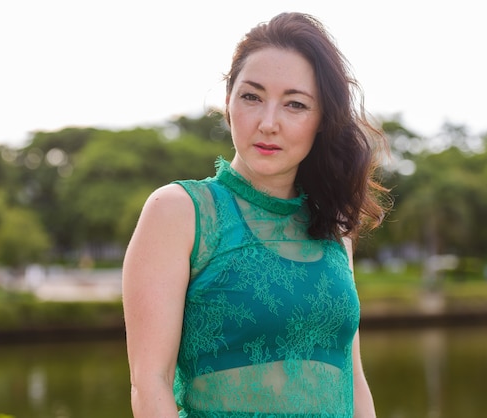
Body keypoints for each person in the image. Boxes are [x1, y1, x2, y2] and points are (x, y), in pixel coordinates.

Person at [122, 12, 389, 418]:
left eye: (295, 105)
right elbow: (148, 383)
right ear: (228, 102)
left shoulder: (333, 230)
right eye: (251, 97)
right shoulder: (177, 212)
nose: (268, 123)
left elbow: (354, 382)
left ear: (322, 121)